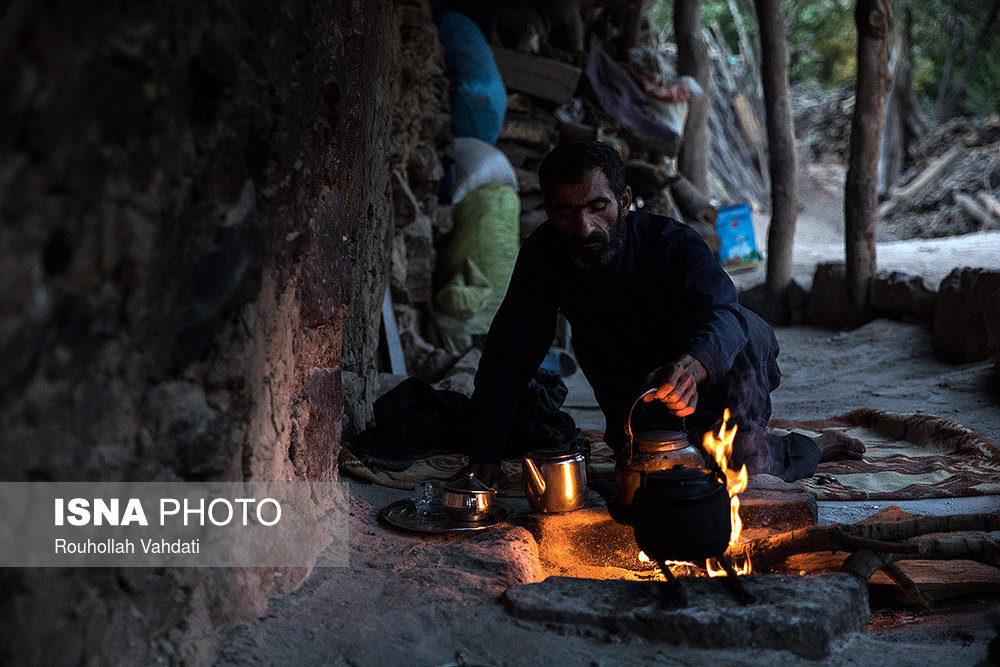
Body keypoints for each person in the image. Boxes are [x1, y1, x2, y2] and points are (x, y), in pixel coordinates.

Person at [464, 141, 862, 488]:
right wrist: (485, 450)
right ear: (550, 211)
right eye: (567, 213)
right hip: (634, 387)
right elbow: (510, 350)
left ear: (623, 200)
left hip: (719, 370)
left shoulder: (672, 245)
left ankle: (807, 445)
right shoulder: (545, 254)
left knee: (741, 464)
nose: (584, 227)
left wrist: (694, 367)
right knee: (648, 472)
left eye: (597, 206)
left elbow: (723, 313)